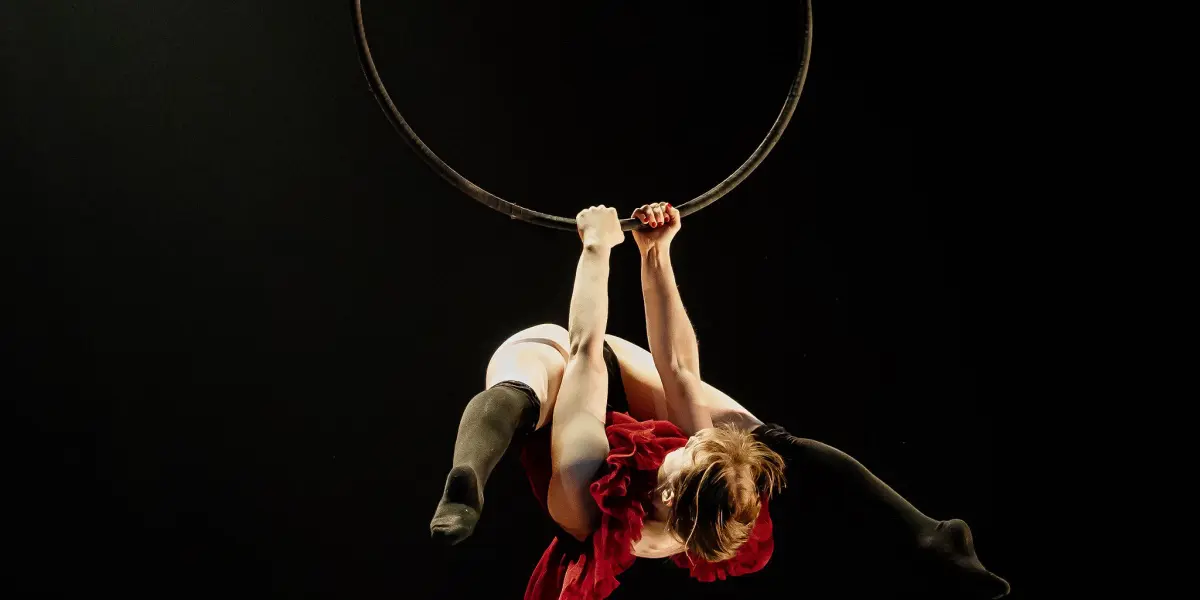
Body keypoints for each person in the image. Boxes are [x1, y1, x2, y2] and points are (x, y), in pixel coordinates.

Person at [429, 204, 1010, 599]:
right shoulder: (716, 506)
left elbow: (583, 350)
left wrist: (598, 248)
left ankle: (468, 475)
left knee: (522, 382)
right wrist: (656, 251)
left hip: (569, 387)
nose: (696, 438)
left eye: (693, 448)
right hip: (634, 409)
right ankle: (931, 533)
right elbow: (678, 369)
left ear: (668, 483)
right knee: (757, 437)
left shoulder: (587, 495)